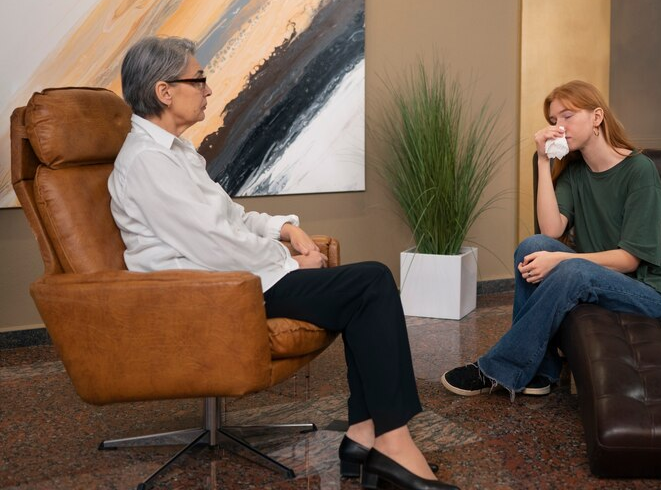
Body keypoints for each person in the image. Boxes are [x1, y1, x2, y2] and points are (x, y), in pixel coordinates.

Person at [108, 36, 458, 490]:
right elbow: (214, 243)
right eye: (199, 79)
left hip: (228, 280)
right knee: (370, 283)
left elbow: (228, 218)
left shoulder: (174, 154)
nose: (208, 89)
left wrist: (284, 230)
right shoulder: (147, 164)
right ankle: (388, 443)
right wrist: (293, 265)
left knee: (366, 288)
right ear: (164, 91)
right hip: (203, 296)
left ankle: (366, 434)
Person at [442, 80, 661, 399]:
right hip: (600, 278)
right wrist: (544, 161)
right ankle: (542, 372)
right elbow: (550, 231)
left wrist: (562, 259)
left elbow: (630, 260)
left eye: (567, 116)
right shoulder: (575, 171)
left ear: (597, 117)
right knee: (532, 248)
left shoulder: (639, 171)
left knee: (572, 269)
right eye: (554, 120)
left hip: (654, 294)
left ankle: (496, 369)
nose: (559, 127)